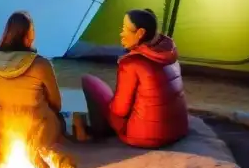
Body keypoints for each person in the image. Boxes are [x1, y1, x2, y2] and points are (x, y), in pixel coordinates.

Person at [81, 8, 189, 148]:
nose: (121, 33)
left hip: (144, 136)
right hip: (177, 130)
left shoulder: (132, 63)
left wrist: (109, 108)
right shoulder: (169, 53)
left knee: (90, 83)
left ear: (140, 33)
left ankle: (98, 133)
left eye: (125, 28)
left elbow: (120, 110)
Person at [0, 11, 64, 147]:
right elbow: (56, 104)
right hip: (36, 131)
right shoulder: (41, 64)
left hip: (5, 130)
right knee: (59, 120)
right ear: (29, 34)